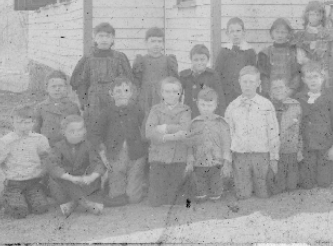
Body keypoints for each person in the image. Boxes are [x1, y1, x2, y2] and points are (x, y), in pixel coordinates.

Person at [224, 66, 280, 200]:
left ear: (258, 83)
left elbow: (273, 132)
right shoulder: (233, 106)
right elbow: (228, 134)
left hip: (261, 154)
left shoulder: (266, 105)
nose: (248, 85)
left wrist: (274, 157)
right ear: (239, 82)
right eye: (245, 82)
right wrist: (228, 159)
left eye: (251, 82)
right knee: (243, 194)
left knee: (263, 193)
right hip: (240, 155)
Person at [89, 77, 147, 207]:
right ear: (111, 94)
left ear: (130, 93)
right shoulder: (106, 112)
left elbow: (145, 129)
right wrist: (103, 154)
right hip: (115, 154)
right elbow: (95, 134)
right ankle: (112, 188)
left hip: (136, 154)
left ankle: (134, 187)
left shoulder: (137, 109)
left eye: (126, 91)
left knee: (133, 198)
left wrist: (144, 149)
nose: (122, 94)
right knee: (117, 197)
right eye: (118, 91)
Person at [0, 105, 51, 218]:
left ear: (33, 122)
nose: (23, 126)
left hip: (33, 181)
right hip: (13, 183)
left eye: (27, 122)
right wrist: (2, 179)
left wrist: (43, 171)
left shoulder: (40, 139)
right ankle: (3, 198)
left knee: (41, 208)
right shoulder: (6, 141)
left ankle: (24, 198)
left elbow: (46, 157)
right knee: (20, 212)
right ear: (13, 122)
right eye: (19, 122)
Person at [70, 22, 132, 127]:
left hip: (115, 98)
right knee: (94, 128)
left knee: (115, 127)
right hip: (94, 100)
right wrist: (84, 101)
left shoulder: (120, 58)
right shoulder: (88, 58)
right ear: (95, 38)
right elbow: (81, 83)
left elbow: (128, 81)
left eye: (108, 36)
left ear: (113, 39)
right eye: (101, 36)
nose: (104, 39)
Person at [145, 77, 191, 206]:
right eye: (167, 91)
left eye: (175, 91)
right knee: (156, 200)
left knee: (175, 199)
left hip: (178, 156)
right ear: (162, 93)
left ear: (180, 93)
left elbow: (184, 130)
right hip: (158, 155)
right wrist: (170, 135)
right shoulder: (155, 109)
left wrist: (164, 128)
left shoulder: (185, 110)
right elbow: (149, 131)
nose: (171, 95)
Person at [47, 115, 105, 216]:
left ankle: (74, 203)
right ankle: (85, 203)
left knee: (94, 178)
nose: (77, 133)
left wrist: (91, 177)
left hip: (81, 180)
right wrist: (70, 178)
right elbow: (53, 166)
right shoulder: (57, 147)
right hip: (65, 181)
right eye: (72, 131)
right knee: (59, 181)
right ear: (64, 132)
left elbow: (98, 163)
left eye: (80, 130)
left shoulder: (88, 145)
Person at [295, 62, 333, 190]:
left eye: (316, 76)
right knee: (307, 184)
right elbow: (296, 124)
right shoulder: (299, 97)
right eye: (309, 77)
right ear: (304, 80)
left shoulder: (329, 97)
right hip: (307, 144)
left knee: (324, 183)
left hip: (324, 145)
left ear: (323, 77)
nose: (313, 80)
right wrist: (298, 147)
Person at [185, 87, 231, 203]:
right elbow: (189, 144)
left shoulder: (221, 122)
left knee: (216, 193)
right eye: (203, 105)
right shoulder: (194, 123)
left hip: (216, 163)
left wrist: (226, 162)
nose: (206, 109)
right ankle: (201, 192)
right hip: (199, 162)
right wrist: (190, 160)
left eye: (210, 105)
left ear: (216, 105)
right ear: (198, 104)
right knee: (200, 192)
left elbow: (226, 144)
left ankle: (216, 192)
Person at [266, 78, 302, 195]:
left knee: (292, 186)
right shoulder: (267, 107)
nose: (278, 90)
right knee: (278, 188)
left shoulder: (295, 105)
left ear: (286, 89)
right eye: (275, 88)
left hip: (291, 150)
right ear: (270, 91)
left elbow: (300, 130)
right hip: (275, 153)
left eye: (281, 87)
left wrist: (300, 150)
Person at [132, 27, 178, 116]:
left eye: (159, 41)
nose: (156, 44)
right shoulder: (141, 61)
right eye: (153, 41)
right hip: (145, 99)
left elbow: (174, 83)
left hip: (163, 99)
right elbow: (136, 83)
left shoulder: (168, 60)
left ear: (163, 44)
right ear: (146, 43)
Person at [215, 18, 257, 104]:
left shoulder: (249, 52)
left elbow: (254, 74)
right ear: (227, 33)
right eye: (232, 31)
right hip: (226, 94)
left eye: (238, 31)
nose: (235, 34)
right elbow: (217, 73)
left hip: (244, 93)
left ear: (243, 32)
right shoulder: (224, 52)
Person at [33, 70, 81, 146]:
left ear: (66, 88)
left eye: (61, 86)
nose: (57, 89)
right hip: (47, 147)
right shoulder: (40, 107)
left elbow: (78, 129)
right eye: (53, 86)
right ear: (46, 88)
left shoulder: (73, 107)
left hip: (67, 147)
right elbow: (35, 130)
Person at [258, 18, 301, 97]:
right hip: (271, 94)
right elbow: (264, 76)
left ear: (288, 34)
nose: (280, 35)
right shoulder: (265, 53)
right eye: (277, 32)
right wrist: (269, 92)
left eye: (283, 32)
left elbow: (296, 75)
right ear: (272, 33)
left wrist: (290, 91)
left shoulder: (293, 52)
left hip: (289, 94)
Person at [180, 44, 225, 117]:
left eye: (202, 59)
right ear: (191, 60)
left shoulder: (213, 76)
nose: (199, 62)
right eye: (196, 60)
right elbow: (178, 97)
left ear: (207, 59)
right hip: (189, 116)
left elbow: (220, 99)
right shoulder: (184, 76)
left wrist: (218, 118)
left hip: (207, 115)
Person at [294, 1, 329, 70]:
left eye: (317, 15)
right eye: (311, 14)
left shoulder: (326, 33)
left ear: (322, 16)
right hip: (306, 67)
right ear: (307, 15)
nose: (314, 17)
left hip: (322, 67)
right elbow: (300, 56)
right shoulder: (301, 34)